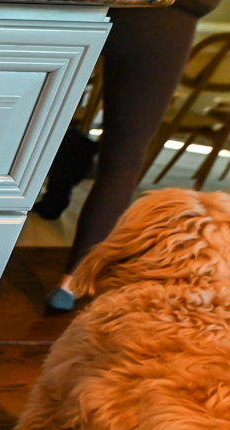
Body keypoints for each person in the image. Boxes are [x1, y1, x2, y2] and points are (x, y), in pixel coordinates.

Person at [37, 0, 222, 311]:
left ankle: (69, 160)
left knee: (29, 124)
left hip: (71, 9)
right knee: (123, 158)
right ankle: (69, 286)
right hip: (159, 18)